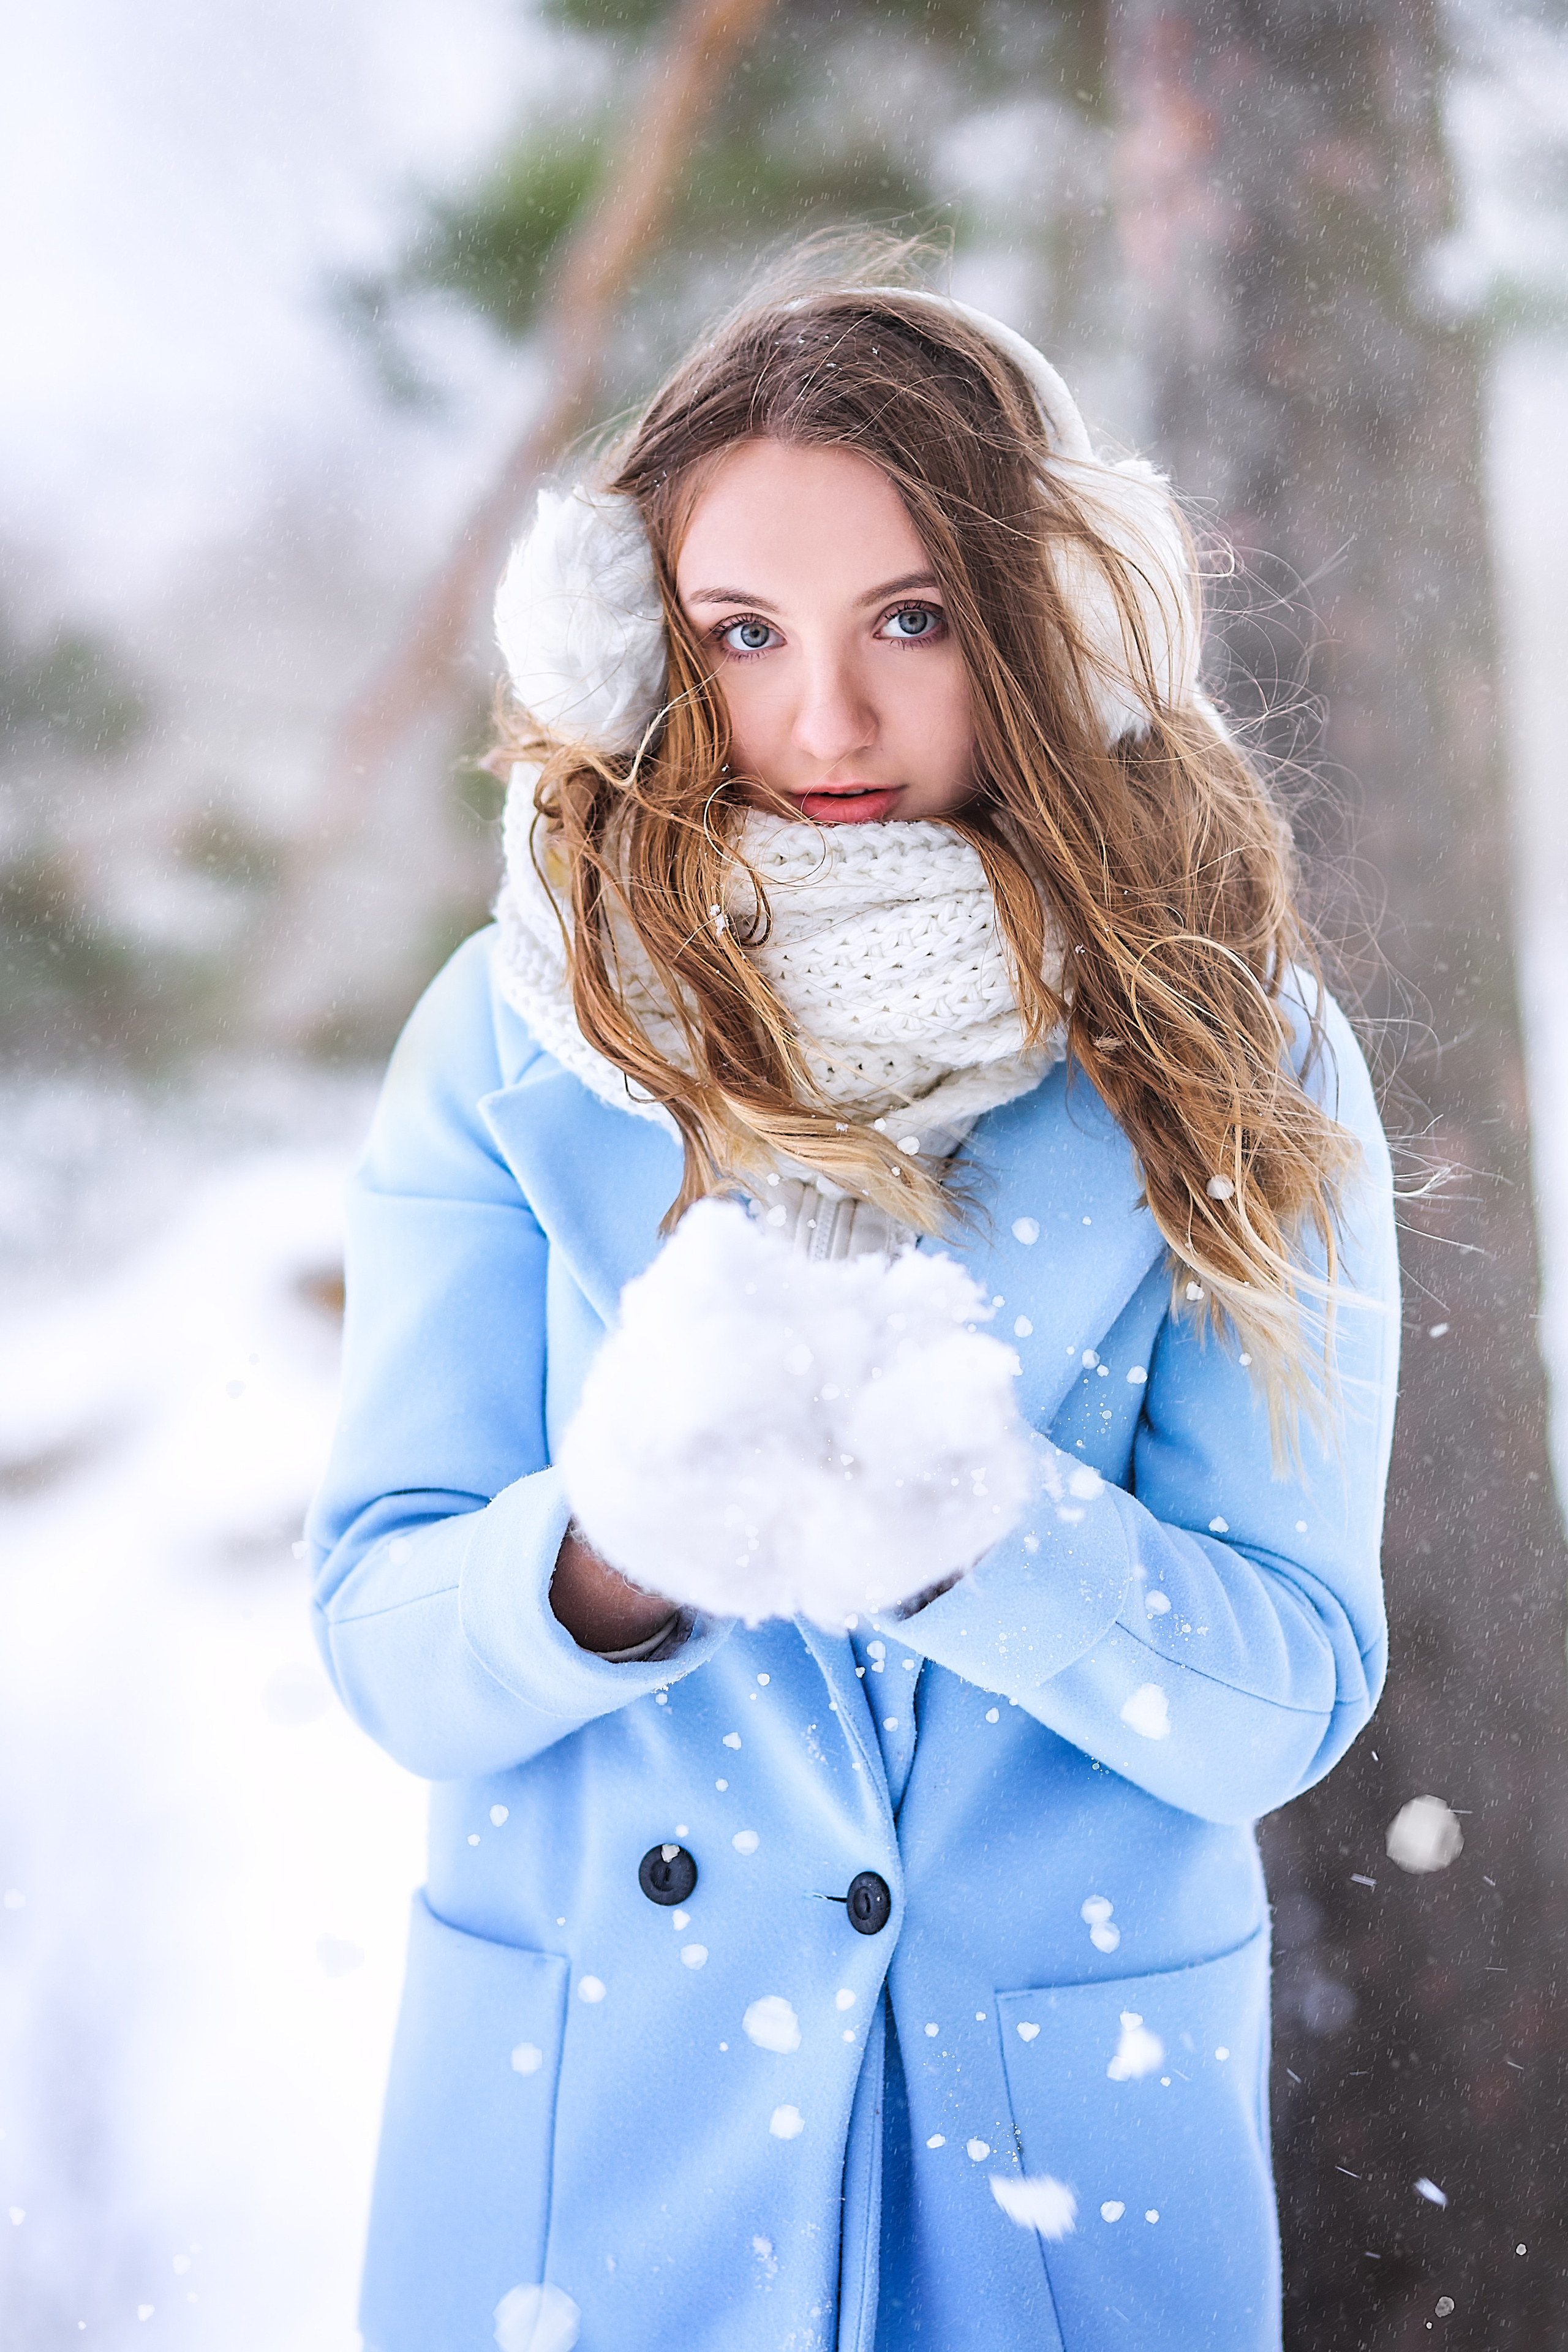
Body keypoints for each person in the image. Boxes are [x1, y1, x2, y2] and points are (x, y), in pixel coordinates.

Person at [307, 245, 1399, 2352]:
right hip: (594, 2169)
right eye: (742, 634)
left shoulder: (1231, 1054)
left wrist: (973, 1537)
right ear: (636, 655)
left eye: (914, 619)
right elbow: (385, 1639)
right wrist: (615, 1552)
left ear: (1053, 624)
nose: (825, 720)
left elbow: (1286, 1690)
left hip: (1046, 2185)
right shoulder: (515, 1041)